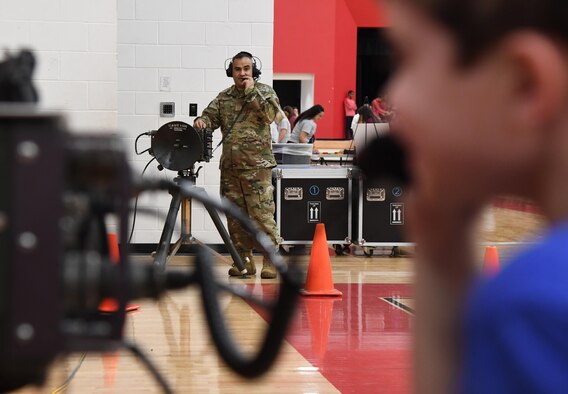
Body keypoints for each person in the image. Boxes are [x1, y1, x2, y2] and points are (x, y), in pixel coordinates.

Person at [384, 0, 568, 392]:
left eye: (407, 61)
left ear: (524, 85)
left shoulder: (532, 307)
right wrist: (441, 250)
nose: (394, 96)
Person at [193, 51, 281, 279]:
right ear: (231, 72)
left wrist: (251, 90)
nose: (242, 73)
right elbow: (209, 117)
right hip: (231, 169)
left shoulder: (265, 93)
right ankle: (244, 260)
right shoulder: (224, 98)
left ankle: (270, 260)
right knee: (235, 218)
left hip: (257, 168)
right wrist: (202, 121)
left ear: (253, 70)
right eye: (237, 69)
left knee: (262, 215)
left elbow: (270, 115)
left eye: (246, 69)